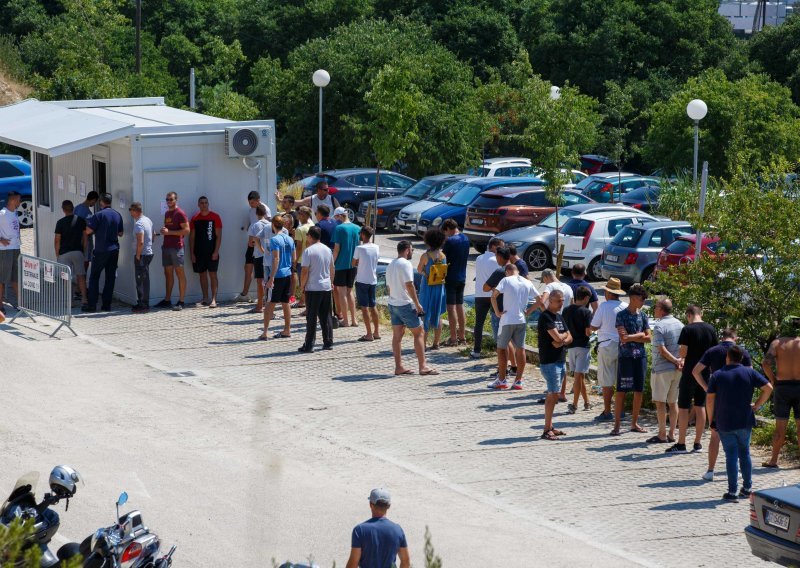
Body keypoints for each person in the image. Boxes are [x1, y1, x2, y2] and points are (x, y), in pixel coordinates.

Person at [707, 346, 773, 502]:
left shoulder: (717, 375)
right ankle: (748, 488)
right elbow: (768, 388)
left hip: (725, 420)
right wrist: (757, 405)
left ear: (727, 357)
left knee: (731, 455)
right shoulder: (749, 373)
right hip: (745, 420)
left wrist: (711, 419)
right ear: (742, 358)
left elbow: (710, 400)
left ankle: (732, 492)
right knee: (745, 453)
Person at [693, 328, 753, 480]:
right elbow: (750, 377)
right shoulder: (742, 353)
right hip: (738, 398)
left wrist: (707, 387)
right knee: (740, 437)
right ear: (735, 338)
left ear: (722, 337)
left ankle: (710, 471)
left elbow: (695, 371)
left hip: (718, 396)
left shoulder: (712, 351)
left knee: (715, 435)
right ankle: (738, 470)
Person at [665, 305, 718, 454]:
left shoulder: (688, 329)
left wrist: (681, 359)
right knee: (700, 406)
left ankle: (681, 443)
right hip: (705, 372)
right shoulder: (711, 329)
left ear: (688, 315)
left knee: (683, 407)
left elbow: (683, 351)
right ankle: (698, 443)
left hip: (689, 372)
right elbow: (714, 351)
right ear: (700, 313)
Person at [386, 240, 438, 376]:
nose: (412, 253)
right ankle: (423, 366)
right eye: (413, 250)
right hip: (405, 304)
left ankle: (399, 367)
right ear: (408, 249)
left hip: (393, 303)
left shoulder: (391, 264)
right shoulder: (406, 264)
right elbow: (410, 285)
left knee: (397, 336)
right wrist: (417, 304)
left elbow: (388, 287)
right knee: (419, 333)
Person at [488, 263, 542, 390]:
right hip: (521, 320)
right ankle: (518, 381)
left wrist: (497, 312)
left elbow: (493, 296)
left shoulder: (505, 280)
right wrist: (528, 311)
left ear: (507, 272)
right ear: (517, 271)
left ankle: (502, 380)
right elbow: (540, 299)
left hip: (507, 319)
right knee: (520, 349)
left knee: (501, 349)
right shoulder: (527, 282)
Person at [610, 284, 651, 436]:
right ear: (633, 298)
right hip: (626, 357)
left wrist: (634, 337)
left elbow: (648, 337)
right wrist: (639, 336)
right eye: (641, 299)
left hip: (640, 356)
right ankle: (617, 425)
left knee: (638, 390)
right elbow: (623, 338)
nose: (643, 302)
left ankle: (634, 423)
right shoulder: (621, 315)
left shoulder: (643, 315)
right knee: (621, 390)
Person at [763, 318, 800, 468]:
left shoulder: (777, 343)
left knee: (780, 427)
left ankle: (774, 460)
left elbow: (766, 363)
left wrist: (773, 380)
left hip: (783, 387)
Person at [590, 278, 628, 421]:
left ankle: (607, 411)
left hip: (606, 345)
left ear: (608, 292)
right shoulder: (625, 306)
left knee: (607, 381)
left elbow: (594, 326)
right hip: (623, 345)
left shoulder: (604, 307)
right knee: (621, 380)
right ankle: (621, 409)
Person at [648, 298, 684, 444]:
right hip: (678, 369)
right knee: (673, 402)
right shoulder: (680, 324)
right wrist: (680, 360)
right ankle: (672, 433)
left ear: (661, 309)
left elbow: (661, 350)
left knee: (660, 402)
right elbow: (684, 347)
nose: (654, 309)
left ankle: (662, 434)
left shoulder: (659, 326)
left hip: (662, 369)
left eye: (656, 307)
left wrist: (675, 360)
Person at [538, 289, 572, 440]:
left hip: (560, 359)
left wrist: (562, 340)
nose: (561, 304)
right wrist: (562, 338)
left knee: (555, 394)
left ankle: (550, 426)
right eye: (558, 301)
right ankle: (546, 429)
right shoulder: (546, 317)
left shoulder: (559, 316)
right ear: (550, 301)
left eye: (562, 301)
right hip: (550, 361)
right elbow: (557, 337)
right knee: (553, 394)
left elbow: (569, 336)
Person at [345, 488, 410, 568]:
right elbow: (405, 561)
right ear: (389, 506)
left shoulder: (360, 530)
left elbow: (353, 563)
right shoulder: (398, 530)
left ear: (371, 505)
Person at [483, 247, 520, 378]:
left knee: (501, 343)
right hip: (513, 310)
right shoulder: (516, 270)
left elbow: (485, 287)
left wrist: (495, 288)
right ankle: (514, 367)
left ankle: (502, 371)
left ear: (499, 257)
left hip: (499, 310)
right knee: (510, 340)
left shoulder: (500, 272)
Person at [83, 194, 123, 312]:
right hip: (114, 250)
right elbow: (120, 233)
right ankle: (106, 305)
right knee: (110, 278)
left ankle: (92, 305)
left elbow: (88, 231)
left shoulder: (98, 215)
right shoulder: (117, 215)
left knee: (94, 277)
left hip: (101, 250)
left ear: (101, 202)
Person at [299, 226, 335, 352]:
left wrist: (302, 286)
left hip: (313, 287)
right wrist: (331, 282)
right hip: (326, 286)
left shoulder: (308, 251)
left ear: (309, 236)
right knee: (326, 316)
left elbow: (304, 271)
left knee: (311, 317)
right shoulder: (327, 250)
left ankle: (309, 344)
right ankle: (328, 341)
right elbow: (332, 268)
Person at [260, 216, 295, 340]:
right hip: (287, 274)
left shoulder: (275, 240)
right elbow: (294, 258)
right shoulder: (290, 239)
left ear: (273, 226)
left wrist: (271, 277)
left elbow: (276, 258)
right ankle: (287, 330)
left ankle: (265, 332)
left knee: (270, 303)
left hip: (278, 274)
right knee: (286, 303)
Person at [155, 191, 190, 311]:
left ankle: (181, 301)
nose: (169, 201)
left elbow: (186, 230)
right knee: (168, 274)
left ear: (176, 200)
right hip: (166, 247)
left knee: (180, 273)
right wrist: (163, 231)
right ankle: (167, 300)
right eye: (167, 199)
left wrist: (169, 232)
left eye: (171, 199)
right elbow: (169, 229)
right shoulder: (167, 213)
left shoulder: (180, 213)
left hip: (177, 247)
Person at [562, 286, 593, 413]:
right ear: (586, 298)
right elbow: (588, 332)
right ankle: (574, 404)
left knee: (579, 376)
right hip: (583, 346)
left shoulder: (566, 310)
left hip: (570, 346)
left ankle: (587, 402)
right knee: (579, 376)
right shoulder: (586, 312)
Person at [235, 191, 270, 303]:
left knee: (263, 272)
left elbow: (268, 227)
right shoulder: (251, 210)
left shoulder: (265, 210)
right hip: (252, 243)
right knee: (248, 267)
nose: (250, 205)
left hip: (262, 245)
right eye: (249, 203)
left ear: (258, 200)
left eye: (252, 203)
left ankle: (264, 297)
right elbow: (252, 224)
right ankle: (245, 294)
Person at [471, 237, 503, 358]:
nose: (502, 250)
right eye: (500, 247)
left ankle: (476, 350)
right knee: (498, 322)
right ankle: (500, 349)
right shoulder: (496, 260)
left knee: (479, 323)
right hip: (493, 295)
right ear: (494, 247)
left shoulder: (479, 258)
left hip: (480, 294)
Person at [53, 200, 88, 308]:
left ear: (63, 210)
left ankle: (70, 301)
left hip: (64, 253)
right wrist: (83, 250)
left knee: (66, 278)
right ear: (73, 208)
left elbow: (57, 240)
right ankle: (84, 299)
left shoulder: (60, 222)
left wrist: (57, 254)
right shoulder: (81, 221)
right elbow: (85, 238)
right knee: (81, 276)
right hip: (78, 251)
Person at [417, 229, 448, 350]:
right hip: (439, 288)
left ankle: (423, 344)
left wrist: (426, 274)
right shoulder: (443, 256)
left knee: (424, 315)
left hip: (427, 287)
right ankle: (436, 343)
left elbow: (419, 270)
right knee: (437, 314)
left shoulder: (425, 256)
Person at [189, 196, 222, 308]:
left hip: (212, 252)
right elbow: (192, 237)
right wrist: (192, 253)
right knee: (202, 275)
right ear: (198, 205)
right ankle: (205, 298)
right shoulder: (195, 218)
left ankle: (214, 300)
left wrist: (216, 251)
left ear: (208, 204)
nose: (204, 205)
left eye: (205, 203)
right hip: (199, 252)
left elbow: (218, 236)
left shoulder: (215, 217)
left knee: (213, 274)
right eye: (201, 203)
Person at [441, 219, 469, 346]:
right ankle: (462, 337)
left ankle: (453, 338)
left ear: (447, 229)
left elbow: (442, 257)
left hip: (450, 277)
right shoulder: (465, 239)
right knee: (460, 306)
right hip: (462, 276)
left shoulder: (450, 241)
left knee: (450, 308)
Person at [332, 206, 361, 327]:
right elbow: (359, 247)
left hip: (340, 265)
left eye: (336, 217)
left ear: (339, 216)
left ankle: (346, 321)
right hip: (353, 265)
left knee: (342, 292)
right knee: (350, 292)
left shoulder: (339, 228)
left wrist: (331, 263)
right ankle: (354, 319)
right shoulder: (357, 228)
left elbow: (336, 249)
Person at [352, 226, 380, 342]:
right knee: (373, 306)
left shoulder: (359, 248)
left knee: (364, 308)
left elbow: (353, 263)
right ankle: (376, 332)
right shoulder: (376, 247)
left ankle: (369, 334)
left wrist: (359, 262)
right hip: (372, 280)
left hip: (362, 280)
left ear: (363, 235)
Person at [128, 202, 153, 313]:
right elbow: (154, 235)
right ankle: (143, 302)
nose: (130, 213)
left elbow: (141, 241)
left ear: (135, 211)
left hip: (142, 255)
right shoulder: (148, 220)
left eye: (131, 210)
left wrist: (138, 255)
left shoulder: (139, 224)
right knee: (144, 279)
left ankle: (143, 304)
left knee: (141, 280)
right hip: (148, 253)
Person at [0, 191, 22, 313]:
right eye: (19, 200)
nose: (20, 203)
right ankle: (0, 305)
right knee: (2, 279)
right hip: (5, 250)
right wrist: (0, 239)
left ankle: (20, 304)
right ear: (13, 200)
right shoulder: (2, 214)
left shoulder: (15, 213)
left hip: (15, 248)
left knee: (15, 278)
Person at [247, 204, 271, 314]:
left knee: (259, 281)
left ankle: (260, 305)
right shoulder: (271, 225)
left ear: (256, 213)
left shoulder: (254, 225)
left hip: (259, 255)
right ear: (266, 213)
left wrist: (254, 242)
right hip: (270, 255)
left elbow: (250, 243)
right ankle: (269, 304)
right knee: (269, 281)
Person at [293, 206, 314, 309]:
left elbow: (299, 247)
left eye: (300, 213)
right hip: (313, 258)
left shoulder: (300, 229)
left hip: (302, 259)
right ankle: (305, 302)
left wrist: (295, 260)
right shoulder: (313, 225)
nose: (298, 215)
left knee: (303, 283)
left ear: (305, 215)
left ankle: (303, 302)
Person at [74, 190, 98, 270]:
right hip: (85, 241)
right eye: (95, 202)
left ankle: (77, 280)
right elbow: (89, 230)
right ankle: (82, 281)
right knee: (85, 262)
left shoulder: (76, 208)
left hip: (75, 240)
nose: (94, 204)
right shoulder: (88, 213)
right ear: (93, 200)